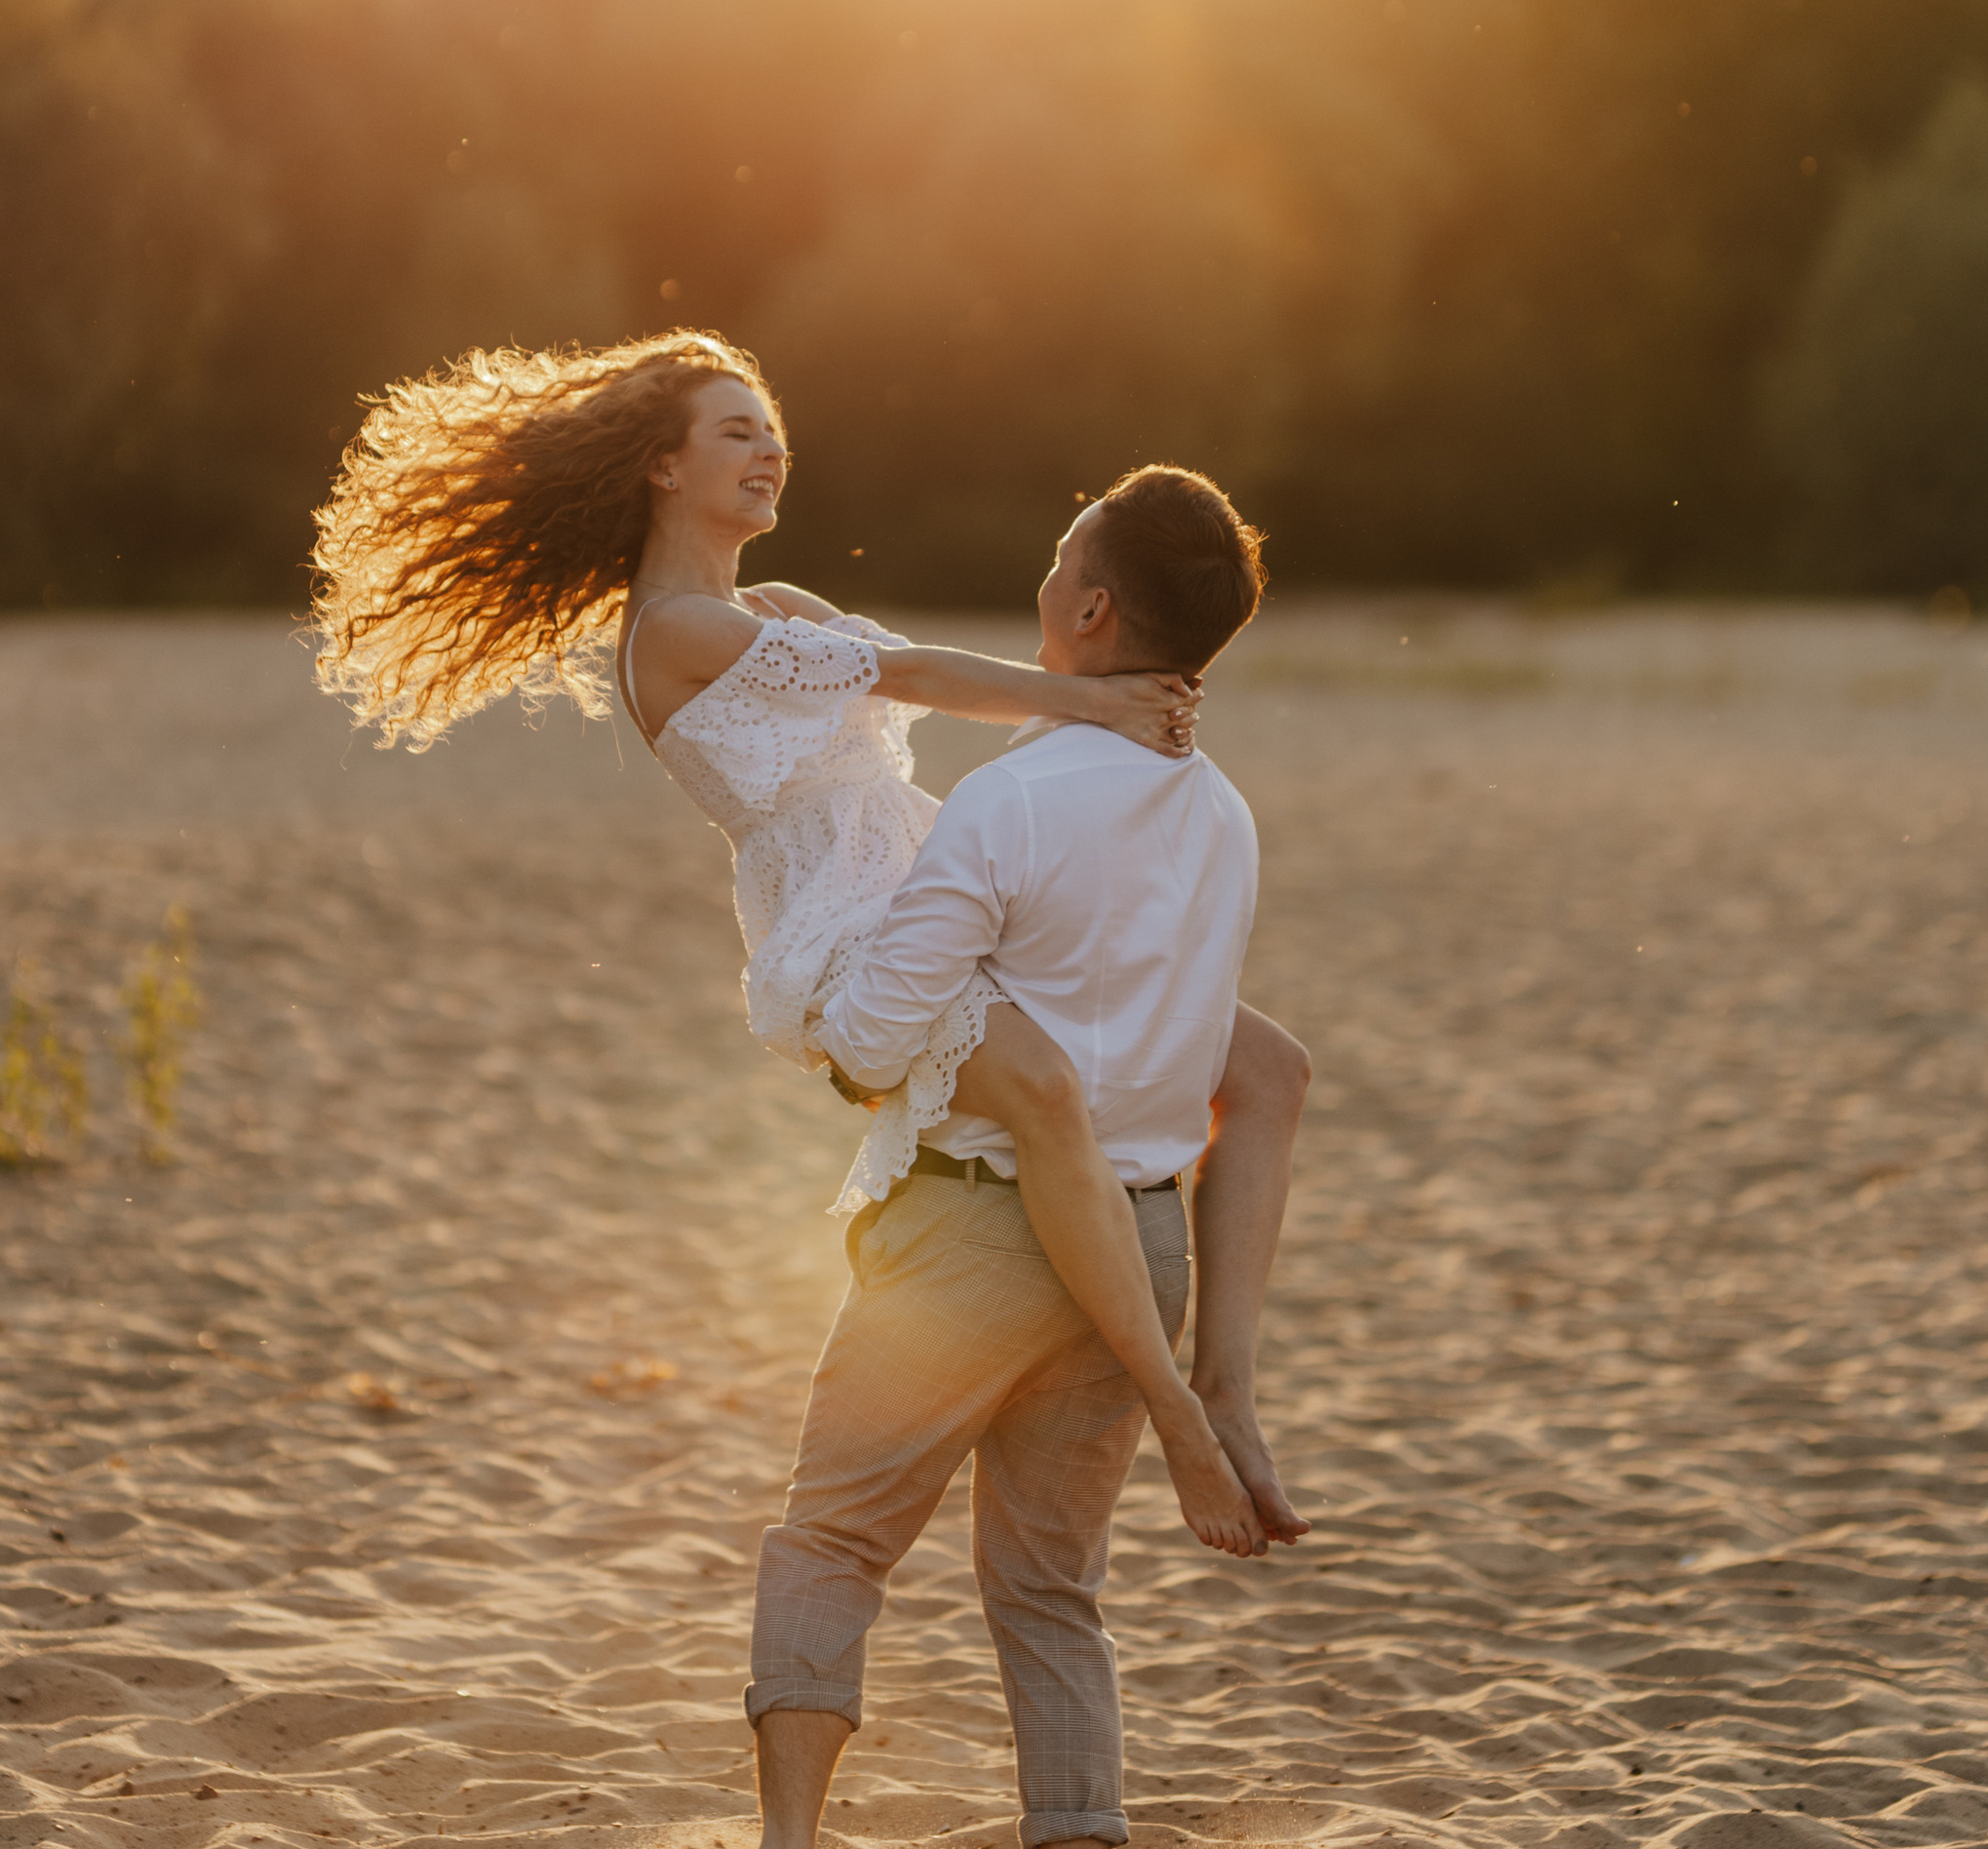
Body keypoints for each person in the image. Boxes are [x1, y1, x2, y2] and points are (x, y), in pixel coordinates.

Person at [311, 330, 1297, 1554]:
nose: (769, 448)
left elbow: (905, 675)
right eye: (736, 429)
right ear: (663, 466)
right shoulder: (670, 630)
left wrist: (1110, 721)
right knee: (1046, 1091)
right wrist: (1091, 699)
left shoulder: (770, 608)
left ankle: (1230, 1384)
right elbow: (910, 674)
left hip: (935, 876)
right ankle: (1176, 1413)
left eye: (772, 429)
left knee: (1269, 1066)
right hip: (850, 923)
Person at [742, 455, 1306, 1849]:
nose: (1045, 578)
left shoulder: (1005, 802)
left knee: (830, 1543)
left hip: (974, 1236)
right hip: (1144, 1243)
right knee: (1053, 1591)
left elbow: (878, 1037)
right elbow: (1210, 1048)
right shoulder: (1224, 814)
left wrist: (813, 966)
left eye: (1063, 558)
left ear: (1092, 610)